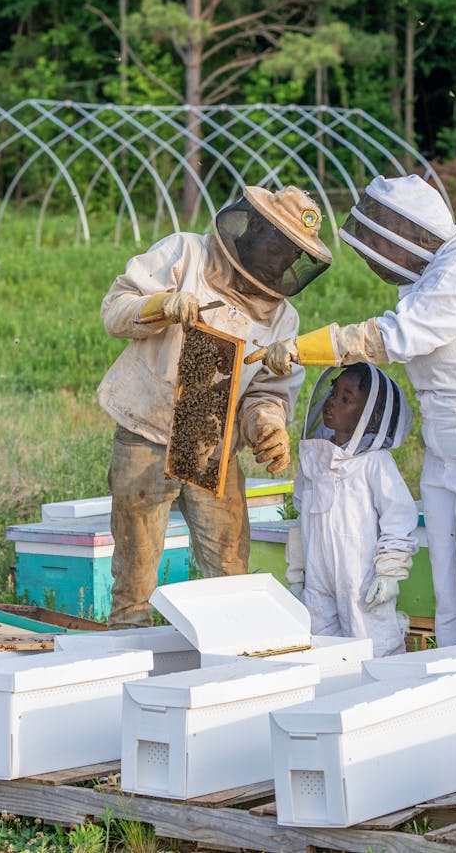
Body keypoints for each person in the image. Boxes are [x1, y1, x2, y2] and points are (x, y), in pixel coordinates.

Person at [250, 174, 456, 645]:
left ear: (414, 234)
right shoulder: (427, 279)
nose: (377, 256)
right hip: (448, 454)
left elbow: (395, 337)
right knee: (452, 602)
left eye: (381, 241)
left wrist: (305, 348)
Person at [98, 186, 333, 629]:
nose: (282, 260)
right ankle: (126, 651)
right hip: (147, 429)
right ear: (254, 225)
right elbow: (114, 312)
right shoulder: (185, 253)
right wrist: (160, 306)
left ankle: (229, 658)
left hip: (211, 443)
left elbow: (267, 393)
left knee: (230, 569)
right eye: (278, 244)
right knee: (135, 574)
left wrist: (268, 426)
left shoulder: (284, 320)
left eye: (293, 254)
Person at [286, 363, 417, 657]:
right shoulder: (315, 460)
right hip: (318, 578)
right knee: (321, 649)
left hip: (361, 579)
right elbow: (301, 519)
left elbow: (399, 518)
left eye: (346, 399)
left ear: (370, 418)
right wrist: (297, 575)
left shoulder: (375, 462)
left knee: (374, 645)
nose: (332, 401)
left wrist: (390, 572)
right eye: (334, 392)